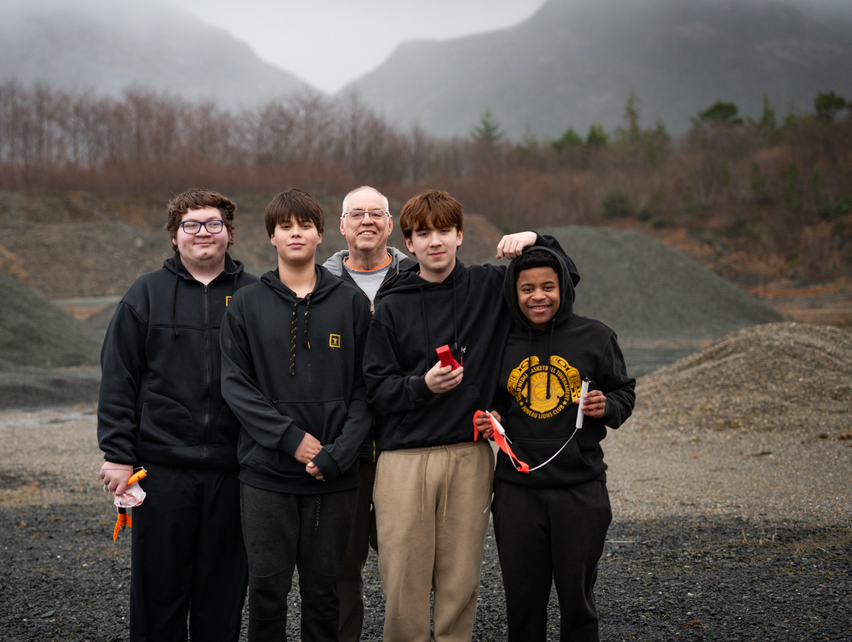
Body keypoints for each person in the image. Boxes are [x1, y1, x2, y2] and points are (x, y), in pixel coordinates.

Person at [323, 185, 543, 642]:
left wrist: (533, 237)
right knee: (403, 579)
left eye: (445, 231)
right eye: (424, 234)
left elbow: (561, 277)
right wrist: (422, 386)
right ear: (408, 244)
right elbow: (377, 388)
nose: (435, 241)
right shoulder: (393, 304)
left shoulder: (489, 286)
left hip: (469, 453)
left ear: (461, 235)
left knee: (460, 579)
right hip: (403, 458)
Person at [96, 188, 256, 642]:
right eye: (191, 224)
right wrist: (118, 455)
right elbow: (118, 378)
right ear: (174, 236)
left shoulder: (255, 294)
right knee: (158, 596)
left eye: (213, 223)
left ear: (228, 233)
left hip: (235, 471)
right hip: (161, 471)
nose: (202, 232)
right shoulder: (145, 294)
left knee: (222, 597)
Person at [220, 188, 373, 642]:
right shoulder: (246, 304)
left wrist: (338, 454)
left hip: (333, 477)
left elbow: (366, 390)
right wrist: (290, 439)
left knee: (323, 594)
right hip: (266, 476)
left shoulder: (350, 305)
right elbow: (236, 386)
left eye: (305, 225)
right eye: (285, 226)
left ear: (321, 235)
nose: (295, 233)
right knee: (267, 593)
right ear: (271, 236)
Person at [475, 247, 635, 642]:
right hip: (517, 492)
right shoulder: (502, 342)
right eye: (527, 288)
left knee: (578, 604)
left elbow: (624, 393)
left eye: (548, 286)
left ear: (563, 288)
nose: (538, 296)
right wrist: (490, 418)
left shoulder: (595, 336)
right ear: (514, 293)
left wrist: (606, 405)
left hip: (580, 490)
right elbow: (494, 401)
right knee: (523, 605)